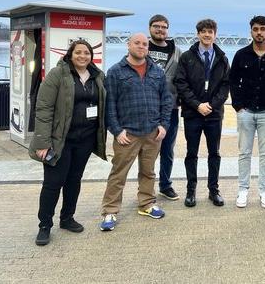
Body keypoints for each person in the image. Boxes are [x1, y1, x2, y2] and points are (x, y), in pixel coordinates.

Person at [29, 40, 107, 246]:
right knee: (53, 184)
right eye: (78, 52)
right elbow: (43, 109)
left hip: (85, 140)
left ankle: (67, 218)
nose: (83, 56)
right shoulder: (58, 75)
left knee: (74, 180)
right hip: (59, 141)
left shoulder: (97, 76)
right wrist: (42, 143)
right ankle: (44, 225)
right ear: (70, 55)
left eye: (87, 53)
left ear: (92, 56)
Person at [99, 33, 172, 231]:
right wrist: (116, 130)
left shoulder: (157, 71)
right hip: (127, 134)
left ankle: (147, 203)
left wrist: (163, 125)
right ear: (128, 45)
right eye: (137, 43)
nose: (141, 47)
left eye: (144, 44)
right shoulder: (115, 72)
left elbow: (166, 100)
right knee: (118, 173)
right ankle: (110, 211)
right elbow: (109, 104)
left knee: (148, 171)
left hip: (152, 133)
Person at [229, 16, 265, 209]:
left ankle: (264, 191)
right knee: (244, 153)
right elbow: (233, 81)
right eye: (255, 29)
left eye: (262, 29)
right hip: (246, 111)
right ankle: (243, 190)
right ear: (251, 31)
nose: (259, 32)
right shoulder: (240, 55)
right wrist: (238, 106)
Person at [174, 19, 230, 208]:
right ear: (198, 34)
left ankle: (213, 190)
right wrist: (197, 105)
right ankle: (191, 191)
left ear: (215, 34)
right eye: (203, 31)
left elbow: (225, 86)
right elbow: (181, 83)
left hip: (213, 115)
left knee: (214, 153)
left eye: (210, 31)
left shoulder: (222, 58)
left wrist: (212, 106)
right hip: (193, 114)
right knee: (192, 153)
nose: (207, 35)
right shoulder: (187, 57)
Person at [147, 14, 182, 200]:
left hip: (170, 108)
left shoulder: (177, 51)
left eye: (163, 27)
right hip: (147, 108)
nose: (160, 30)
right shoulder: (142, 48)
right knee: (148, 151)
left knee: (168, 149)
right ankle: (146, 189)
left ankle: (165, 185)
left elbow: (183, 78)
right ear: (149, 28)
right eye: (156, 26)